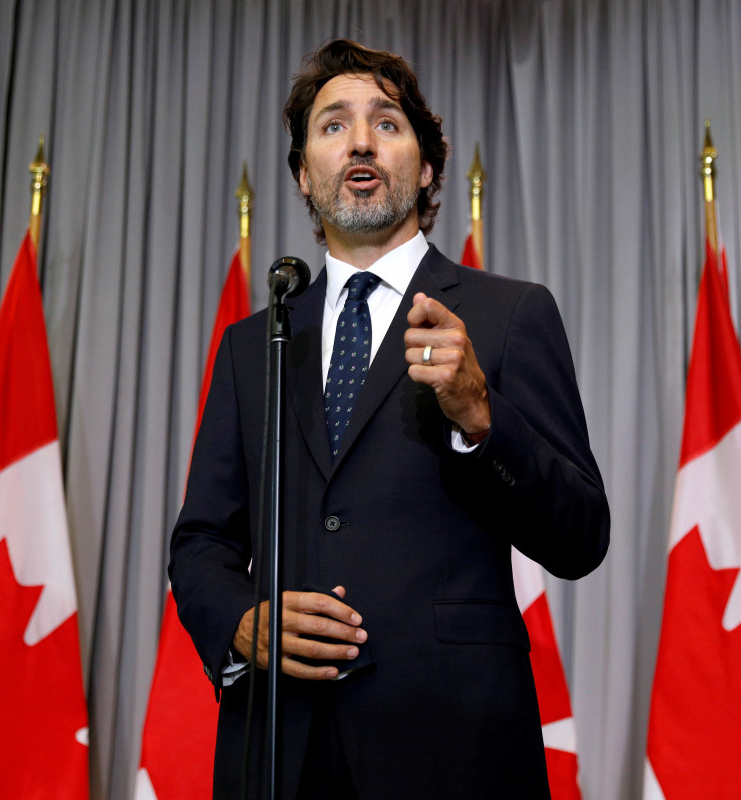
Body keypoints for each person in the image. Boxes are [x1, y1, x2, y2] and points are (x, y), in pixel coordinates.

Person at [168, 39, 609, 799]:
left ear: (427, 166)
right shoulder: (253, 343)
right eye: (333, 125)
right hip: (278, 746)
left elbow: (580, 536)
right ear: (306, 176)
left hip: (453, 743)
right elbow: (202, 541)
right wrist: (243, 621)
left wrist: (481, 418)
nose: (362, 139)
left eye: (388, 122)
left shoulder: (508, 316)